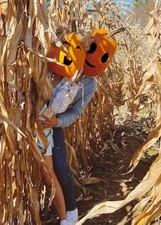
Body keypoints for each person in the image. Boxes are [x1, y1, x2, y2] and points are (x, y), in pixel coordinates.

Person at [41, 28, 118, 224]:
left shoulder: (89, 84)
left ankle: (70, 211)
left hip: (53, 124)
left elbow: (75, 112)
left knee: (59, 167)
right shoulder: (51, 64)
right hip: (31, 120)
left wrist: (56, 121)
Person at [38, 27, 87, 225]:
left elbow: (59, 108)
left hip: (43, 131)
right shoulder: (39, 67)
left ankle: (66, 219)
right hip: (20, 128)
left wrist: (70, 83)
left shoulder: (68, 83)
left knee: (50, 174)